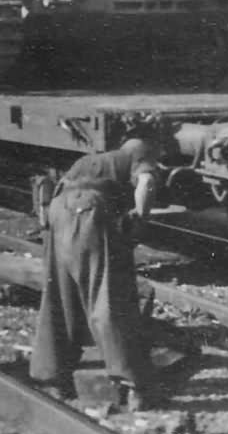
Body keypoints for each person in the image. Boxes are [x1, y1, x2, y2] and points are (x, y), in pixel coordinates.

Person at [29, 136, 160, 412]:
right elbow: (147, 183)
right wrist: (140, 220)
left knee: (60, 296)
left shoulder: (93, 160)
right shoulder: (137, 154)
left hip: (58, 212)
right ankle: (133, 385)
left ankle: (52, 377)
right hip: (89, 211)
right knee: (106, 297)